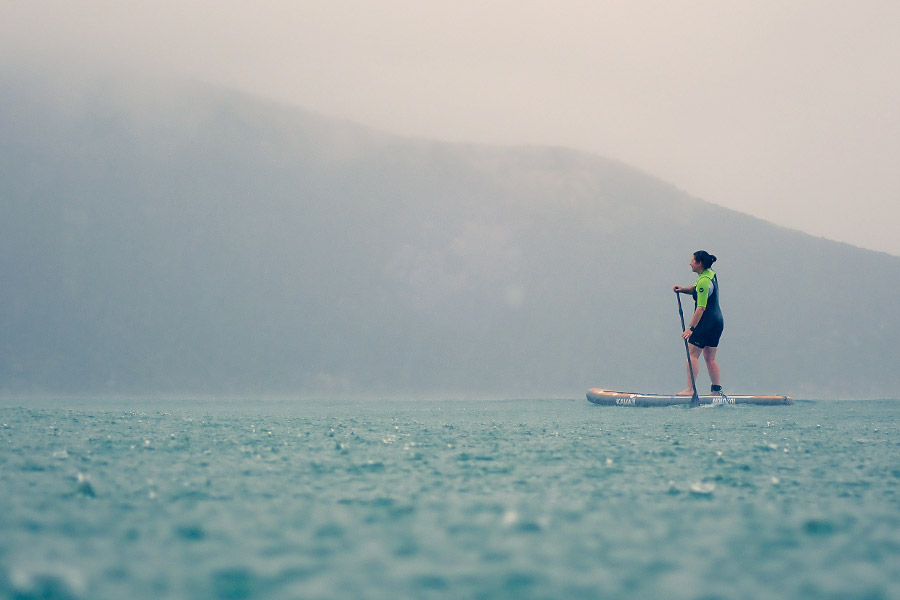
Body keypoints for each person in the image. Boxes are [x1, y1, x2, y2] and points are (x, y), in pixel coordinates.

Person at [673, 250, 724, 396]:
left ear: (699, 263)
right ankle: (716, 391)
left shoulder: (703, 282)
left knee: (692, 354)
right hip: (717, 321)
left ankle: (690, 390)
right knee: (710, 357)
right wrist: (682, 289)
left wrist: (690, 328)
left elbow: (701, 308)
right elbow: (696, 289)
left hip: (705, 321)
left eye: (692, 261)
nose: (690, 263)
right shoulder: (709, 273)